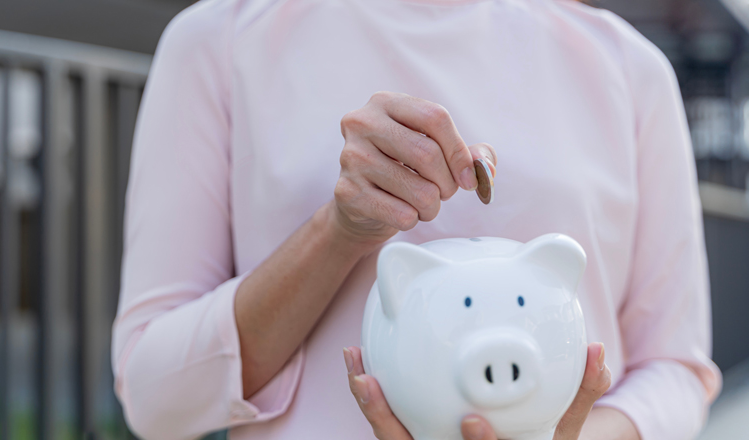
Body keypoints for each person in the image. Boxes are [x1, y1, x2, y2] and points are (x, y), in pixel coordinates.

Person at [111, 0, 722, 439]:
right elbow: (155, 397)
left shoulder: (626, 68)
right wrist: (341, 230)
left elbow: (678, 371)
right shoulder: (220, 42)